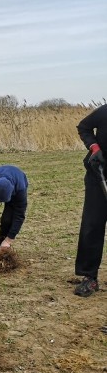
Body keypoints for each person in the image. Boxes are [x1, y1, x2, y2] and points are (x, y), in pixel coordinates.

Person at [74, 105, 107, 296]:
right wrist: (94, 147)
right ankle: (89, 276)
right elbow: (84, 126)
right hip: (99, 172)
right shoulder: (104, 112)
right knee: (93, 224)